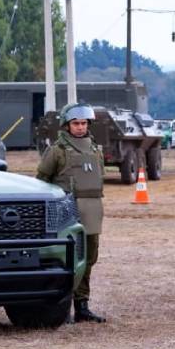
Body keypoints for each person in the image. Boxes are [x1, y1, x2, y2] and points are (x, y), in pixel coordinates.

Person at [36, 103, 106, 323]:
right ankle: (61, 307)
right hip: (67, 211)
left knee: (89, 259)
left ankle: (82, 306)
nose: (80, 127)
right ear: (66, 125)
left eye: (84, 123)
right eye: (76, 123)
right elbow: (41, 182)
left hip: (93, 210)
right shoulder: (57, 151)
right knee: (67, 259)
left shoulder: (95, 149)